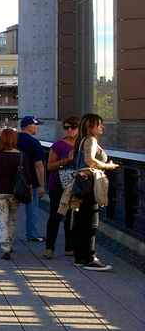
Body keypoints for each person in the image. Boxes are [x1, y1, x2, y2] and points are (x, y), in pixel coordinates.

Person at [69, 114, 118, 271]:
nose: (102, 127)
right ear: (90, 127)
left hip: (81, 184)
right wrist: (107, 166)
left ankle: (79, 257)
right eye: (99, 124)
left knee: (80, 221)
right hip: (89, 186)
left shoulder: (81, 140)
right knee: (90, 222)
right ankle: (90, 258)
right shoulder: (91, 140)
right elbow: (90, 161)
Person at [0, 128, 33, 260]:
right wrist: (30, 191)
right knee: (12, 218)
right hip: (15, 192)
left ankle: (5, 246)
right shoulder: (21, 156)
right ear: (14, 140)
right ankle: (10, 243)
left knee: (2, 218)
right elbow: (28, 177)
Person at [44, 116, 81, 259]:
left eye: (73, 127)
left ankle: (70, 247)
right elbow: (50, 166)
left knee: (72, 216)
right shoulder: (58, 145)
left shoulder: (84, 144)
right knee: (56, 215)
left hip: (76, 185)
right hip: (58, 184)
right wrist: (67, 160)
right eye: (66, 127)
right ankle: (49, 247)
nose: (69, 130)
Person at [16, 116, 46, 242]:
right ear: (29, 127)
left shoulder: (12, 140)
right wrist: (42, 185)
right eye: (36, 125)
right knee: (32, 209)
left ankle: (6, 235)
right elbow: (38, 165)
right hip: (31, 180)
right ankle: (32, 234)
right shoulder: (34, 143)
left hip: (13, 179)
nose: (38, 127)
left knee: (9, 210)